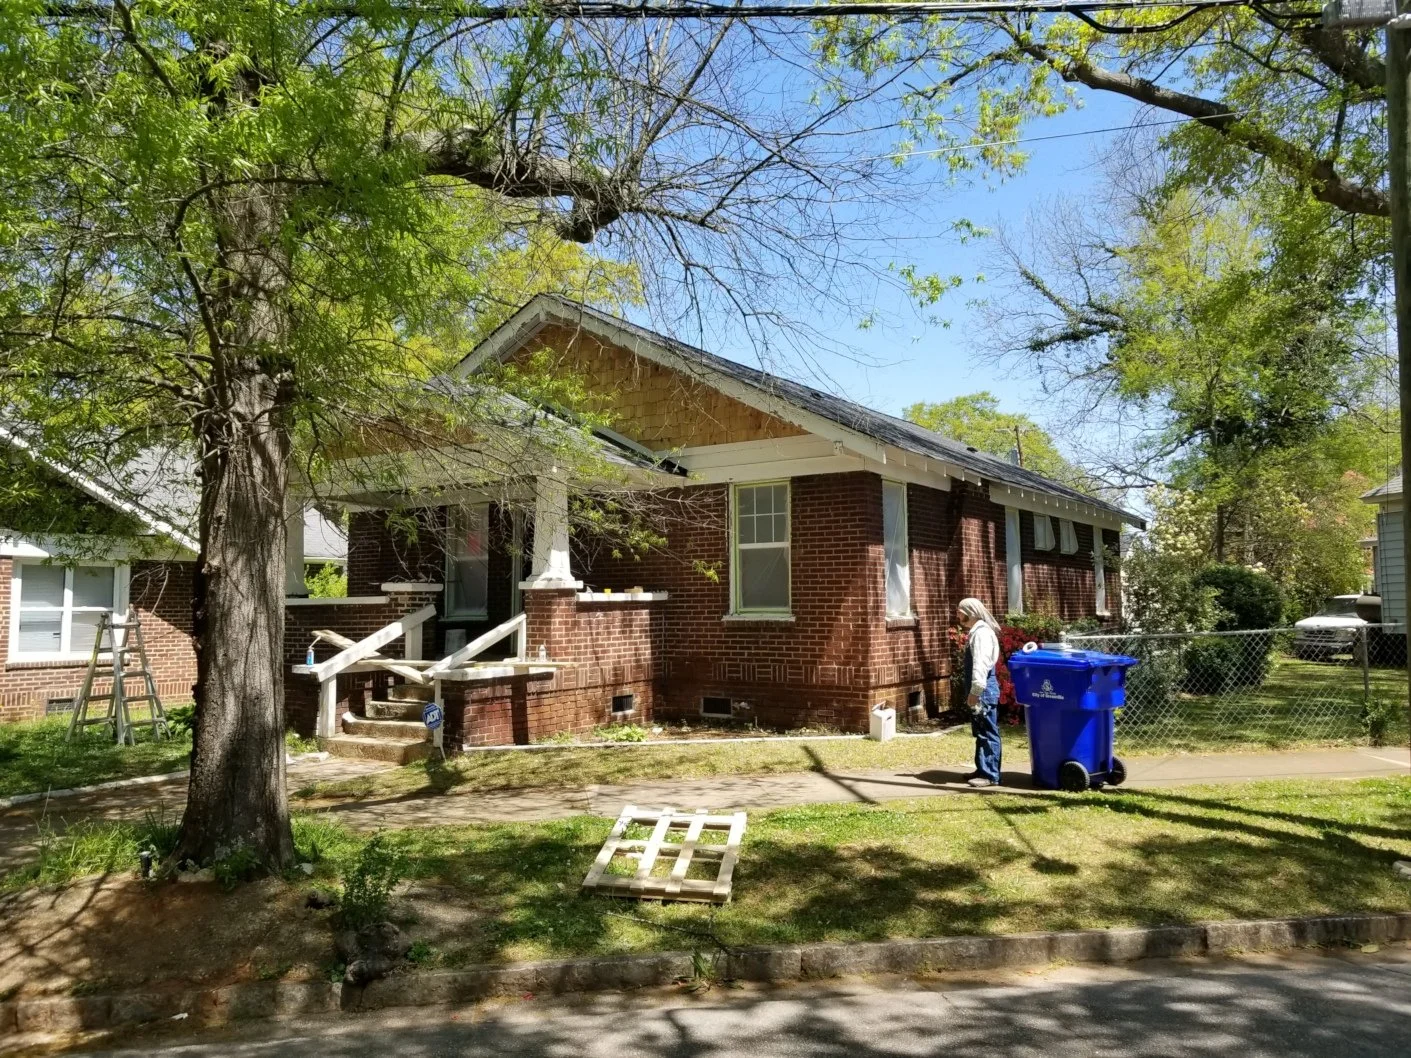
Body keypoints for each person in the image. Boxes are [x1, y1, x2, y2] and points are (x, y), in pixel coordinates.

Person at [957, 597, 1002, 787]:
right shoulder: (977, 632)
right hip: (982, 690)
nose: (958, 614)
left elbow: (981, 665)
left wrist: (975, 691)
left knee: (987, 731)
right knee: (980, 730)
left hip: (983, 691)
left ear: (971, 612)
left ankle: (990, 775)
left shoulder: (981, 634)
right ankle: (982, 768)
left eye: (960, 611)